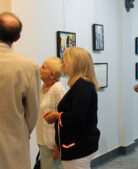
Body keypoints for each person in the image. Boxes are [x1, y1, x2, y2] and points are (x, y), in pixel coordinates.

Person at [44, 47, 100, 169]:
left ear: (74, 63)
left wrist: (57, 115)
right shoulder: (80, 85)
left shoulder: (82, 85)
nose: (62, 63)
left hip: (79, 145)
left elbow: (78, 115)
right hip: (77, 144)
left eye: (64, 60)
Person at [0, 12, 40, 169]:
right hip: (14, 141)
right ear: (18, 38)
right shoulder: (28, 67)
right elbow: (33, 112)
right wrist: (22, 131)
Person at [36, 57, 66, 169]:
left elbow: (63, 118)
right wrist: (39, 140)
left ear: (52, 75)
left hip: (54, 145)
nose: (40, 68)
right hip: (44, 142)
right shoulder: (43, 88)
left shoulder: (58, 90)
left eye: (44, 67)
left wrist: (58, 147)